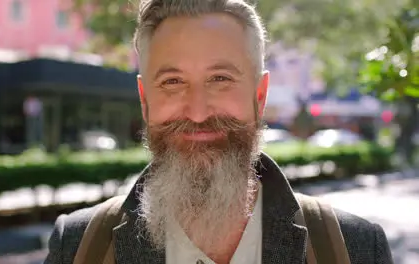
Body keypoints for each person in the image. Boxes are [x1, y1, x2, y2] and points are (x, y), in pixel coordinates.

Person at [44, 0, 393, 263]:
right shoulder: (79, 247)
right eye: (173, 81)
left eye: (221, 79)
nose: (197, 113)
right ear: (145, 100)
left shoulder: (352, 248)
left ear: (259, 97)